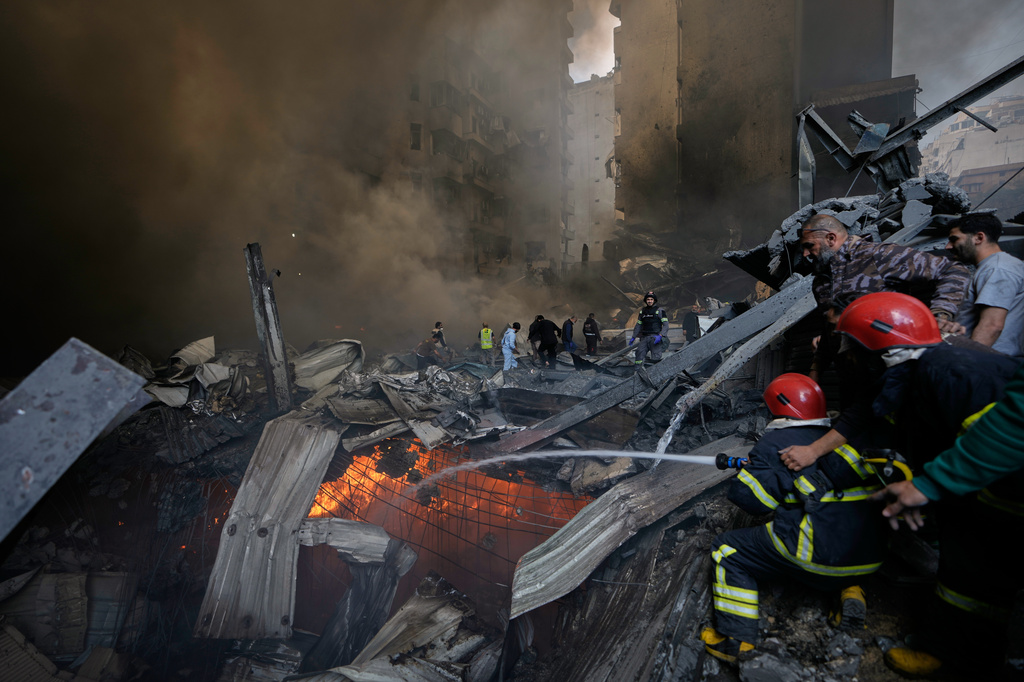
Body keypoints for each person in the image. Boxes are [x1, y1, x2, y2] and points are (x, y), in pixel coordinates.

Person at [701, 373, 887, 664]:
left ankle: (736, 640)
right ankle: (851, 590)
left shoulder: (778, 442)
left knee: (726, 551)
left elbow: (754, 503)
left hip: (818, 556)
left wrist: (752, 472)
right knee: (837, 530)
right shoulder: (841, 437)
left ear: (779, 409)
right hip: (868, 557)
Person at [873, 358, 1024, 677]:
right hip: (997, 481)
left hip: (998, 477)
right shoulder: (954, 370)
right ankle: (963, 653)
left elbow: (1016, 420)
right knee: (982, 563)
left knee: (976, 560)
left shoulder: (945, 377)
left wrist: (931, 483)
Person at [779, 292, 1018, 474]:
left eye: (842, 333)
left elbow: (990, 443)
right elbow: (862, 411)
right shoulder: (901, 366)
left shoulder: (949, 370)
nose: (842, 347)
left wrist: (929, 486)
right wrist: (813, 451)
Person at [798, 213, 970, 385]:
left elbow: (952, 270)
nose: (805, 254)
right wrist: (816, 369)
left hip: (891, 373)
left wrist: (940, 315)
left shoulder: (878, 255)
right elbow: (831, 326)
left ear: (830, 238)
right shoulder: (821, 281)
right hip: (852, 379)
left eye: (809, 245)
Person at [945, 212, 1024, 358]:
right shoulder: (998, 266)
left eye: (954, 239)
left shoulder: (997, 269)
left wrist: (966, 362)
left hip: (989, 361)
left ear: (979, 238)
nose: (948, 246)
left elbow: (992, 326)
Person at [629, 291, 668, 366]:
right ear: (645, 301)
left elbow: (666, 325)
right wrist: (633, 337)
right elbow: (638, 325)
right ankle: (638, 371)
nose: (649, 301)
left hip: (655, 337)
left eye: (651, 299)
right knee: (639, 354)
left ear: (654, 300)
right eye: (648, 299)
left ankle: (657, 372)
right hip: (644, 337)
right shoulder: (642, 311)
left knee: (656, 357)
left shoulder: (660, 310)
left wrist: (661, 335)